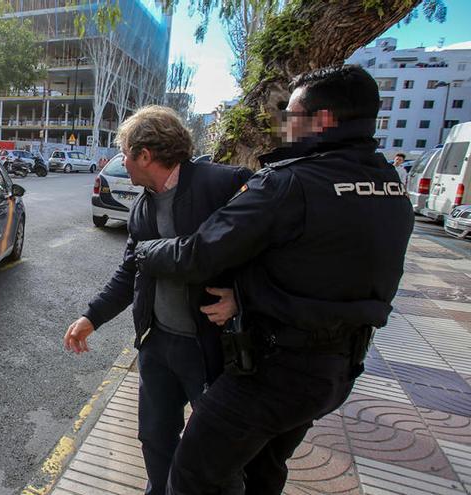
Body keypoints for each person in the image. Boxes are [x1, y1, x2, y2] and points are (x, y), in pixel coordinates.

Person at [129, 65, 415, 494]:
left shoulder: (291, 184)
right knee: (262, 469)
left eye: (292, 114)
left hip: (274, 370)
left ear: (322, 120)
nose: (283, 125)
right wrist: (245, 296)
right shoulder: (389, 185)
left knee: (193, 473)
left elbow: (199, 254)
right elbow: (323, 268)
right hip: (338, 368)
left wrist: (145, 251)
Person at [63, 105, 252, 495]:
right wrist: (92, 318)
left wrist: (242, 298)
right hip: (158, 344)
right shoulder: (143, 206)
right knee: (154, 439)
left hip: (211, 349)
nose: (122, 163)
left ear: (144, 155)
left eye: (125, 154)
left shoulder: (223, 185)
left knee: (217, 455)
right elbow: (131, 271)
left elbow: (273, 253)